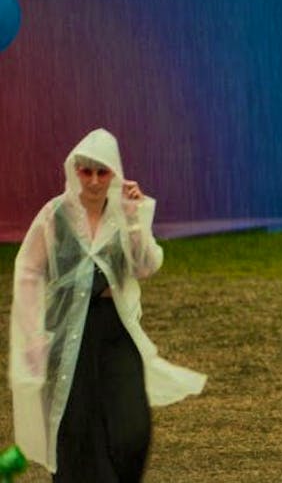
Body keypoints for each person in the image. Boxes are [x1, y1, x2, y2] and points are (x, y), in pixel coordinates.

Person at [8, 128, 207, 481]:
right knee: (76, 426)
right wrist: (32, 334)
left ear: (114, 173)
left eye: (103, 172)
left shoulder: (122, 212)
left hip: (115, 330)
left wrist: (135, 218)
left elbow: (146, 265)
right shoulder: (55, 214)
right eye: (87, 171)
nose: (95, 181)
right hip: (70, 330)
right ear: (74, 170)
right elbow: (28, 271)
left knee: (132, 427)